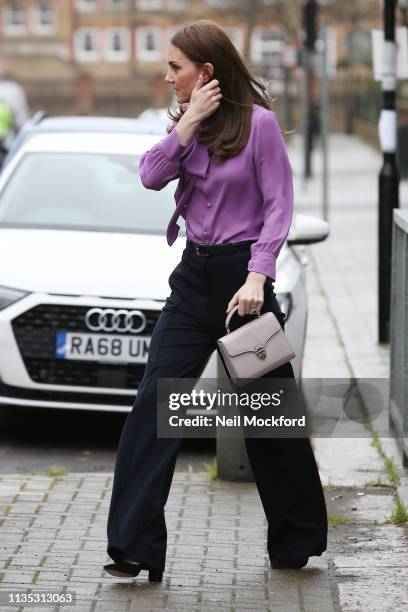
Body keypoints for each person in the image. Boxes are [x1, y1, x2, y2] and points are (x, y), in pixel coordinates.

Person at [104, 20, 327, 581]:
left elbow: (278, 207)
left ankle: (296, 539)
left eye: (176, 67)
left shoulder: (261, 127)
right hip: (193, 279)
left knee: (270, 416)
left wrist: (257, 276)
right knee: (154, 405)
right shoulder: (185, 127)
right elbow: (151, 176)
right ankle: (133, 547)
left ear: (206, 71)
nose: (168, 76)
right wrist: (189, 124)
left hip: (242, 284)